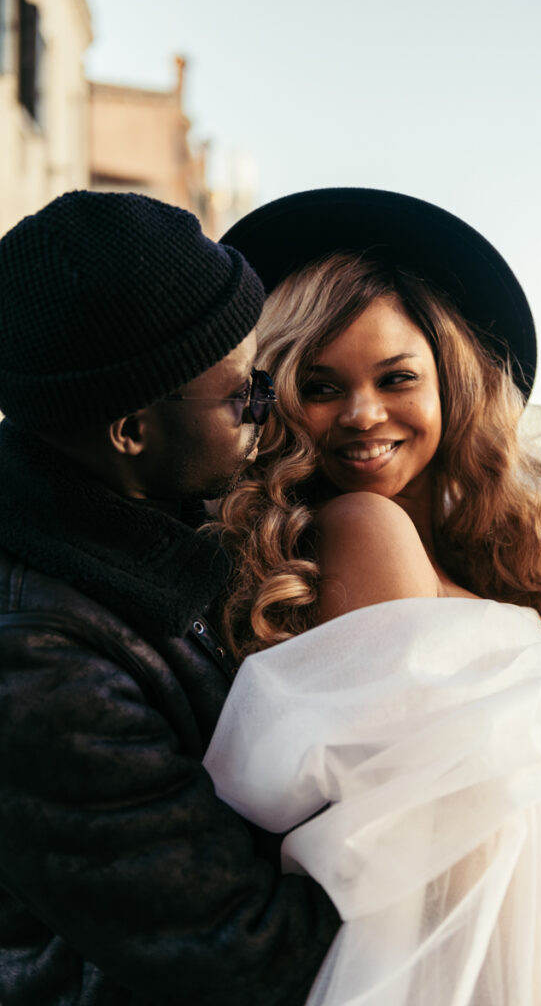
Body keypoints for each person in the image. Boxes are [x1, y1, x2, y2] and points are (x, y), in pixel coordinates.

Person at [202, 188, 541, 1004]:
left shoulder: (441, 542)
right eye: (319, 387)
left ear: (448, 384)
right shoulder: (363, 529)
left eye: (396, 378)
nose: (363, 415)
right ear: (277, 396)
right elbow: (415, 856)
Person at [0, 190, 340, 1006]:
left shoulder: (165, 518)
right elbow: (240, 954)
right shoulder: (39, 661)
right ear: (130, 431)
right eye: (244, 397)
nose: (273, 406)